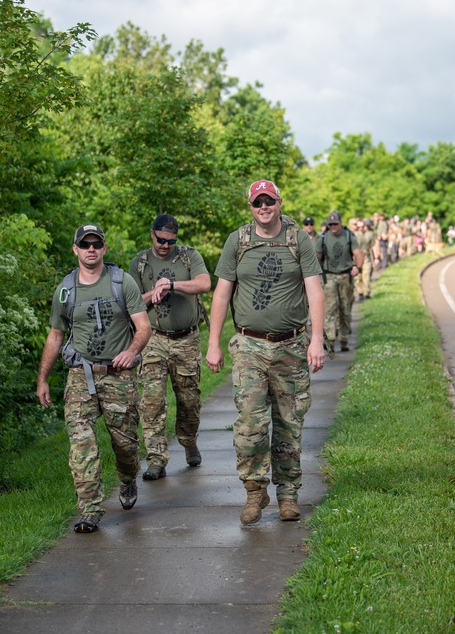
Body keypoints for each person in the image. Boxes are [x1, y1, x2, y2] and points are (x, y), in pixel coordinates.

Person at [206, 179, 325, 525]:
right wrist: (213, 344)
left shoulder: (297, 239)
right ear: (251, 206)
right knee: (249, 425)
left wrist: (317, 339)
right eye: (258, 203)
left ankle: (288, 494)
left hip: (291, 345)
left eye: (269, 201)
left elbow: (314, 291)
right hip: (249, 346)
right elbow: (221, 294)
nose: (264, 208)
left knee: (289, 423)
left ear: (279, 202)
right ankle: (254, 493)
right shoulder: (238, 241)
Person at [37, 224, 152, 534]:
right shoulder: (66, 289)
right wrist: (43, 378)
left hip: (118, 376)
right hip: (80, 376)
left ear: (103, 248)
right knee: (81, 445)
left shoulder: (121, 282)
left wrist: (131, 351)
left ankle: (128, 479)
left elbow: (143, 327)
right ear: (75, 249)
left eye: (96, 244)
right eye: (84, 244)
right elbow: (56, 335)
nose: (91, 249)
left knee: (125, 447)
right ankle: (90, 510)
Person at [128, 214, 212, 480]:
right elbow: (130, 303)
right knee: (152, 402)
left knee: (189, 399)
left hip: (186, 339)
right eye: (161, 240)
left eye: (170, 241)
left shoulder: (188, 257)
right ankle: (156, 459)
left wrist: (173, 285)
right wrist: (151, 295)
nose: (165, 245)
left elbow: (205, 284)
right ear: (152, 234)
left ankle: (188, 440)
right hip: (152, 338)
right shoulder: (139, 263)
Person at [316, 210, 363, 353]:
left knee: (345, 308)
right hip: (329, 276)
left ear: (340, 222)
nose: (333, 227)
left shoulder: (348, 236)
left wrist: (358, 268)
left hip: (345, 276)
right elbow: (317, 257)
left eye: (335, 224)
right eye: (330, 224)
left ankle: (343, 339)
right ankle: (330, 339)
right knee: (330, 308)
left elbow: (359, 254)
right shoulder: (323, 238)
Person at [354, 218, 375, 301]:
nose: (361, 228)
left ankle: (367, 292)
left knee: (366, 275)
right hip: (356, 257)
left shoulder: (369, 234)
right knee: (358, 277)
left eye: (362, 226)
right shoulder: (353, 235)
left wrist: (376, 258)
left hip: (366, 256)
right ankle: (360, 292)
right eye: (359, 227)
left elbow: (373, 246)